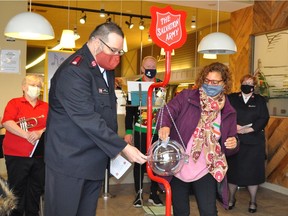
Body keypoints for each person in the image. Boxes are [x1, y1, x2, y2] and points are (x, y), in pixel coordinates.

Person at [44, 22, 147, 216]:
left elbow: (106, 112)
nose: (116, 56)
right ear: (96, 42)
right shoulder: (74, 71)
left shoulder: (105, 69)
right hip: (69, 163)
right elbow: (87, 117)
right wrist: (122, 147)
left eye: (120, 51)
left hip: (93, 161)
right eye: (113, 50)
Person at [157, 62, 239, 216]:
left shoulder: (228, 111)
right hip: (179, 165)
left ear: (224, 83)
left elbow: (230, 144)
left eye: (215, 82)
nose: (210, 85)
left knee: (208, 211)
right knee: (181, 211)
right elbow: (166, 112)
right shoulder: (187, 97)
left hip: (205, 168)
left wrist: (233, 143)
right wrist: (165, 125)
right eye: (207, 81)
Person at [1, 74, 48, 216]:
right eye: (32, 84)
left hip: (39, 155)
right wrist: (26, 134)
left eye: (38, 86)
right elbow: (7, 122)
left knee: (36, 189)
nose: (36, 88)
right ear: (23, 87)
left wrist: (40, 132)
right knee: (17, 190)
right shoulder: (14, 103)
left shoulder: (46, 106)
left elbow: (53, 125)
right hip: (17, 155)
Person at [124, 56, 163, 208]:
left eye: (153, 65)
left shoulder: (161, 85)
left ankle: (154, 194)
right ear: (142, 68)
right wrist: (128, 131)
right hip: (140, 130)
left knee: (156, 163)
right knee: (139, 162)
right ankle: (138, 194)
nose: (151, 67)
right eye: (148, 65)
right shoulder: (135, 86)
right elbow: (130, 113)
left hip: (157, 132)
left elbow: (164, 109)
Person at [227, 74, 269, 213]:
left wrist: (249, 129)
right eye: (245, 81)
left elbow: (264, 117)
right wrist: (235, 127)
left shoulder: (260, 100)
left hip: (254, 142)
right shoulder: (232, 98)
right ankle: (231, 198)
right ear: (241, 83)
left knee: (253, 173)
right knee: (233, 172)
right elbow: (225, 114)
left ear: (254, 86)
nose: (247, 84)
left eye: (250, 82)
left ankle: (253, 201)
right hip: (235, 141)